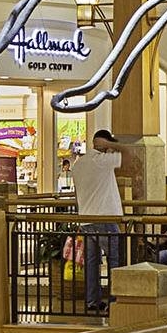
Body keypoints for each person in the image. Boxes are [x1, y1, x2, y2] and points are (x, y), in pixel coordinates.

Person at [70, 130, 126, 310]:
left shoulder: (78, 165)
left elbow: (77, 194)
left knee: (92, 263)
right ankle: (114, 302)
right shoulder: (102, 161)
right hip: (105, 217)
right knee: (115, 261)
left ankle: (92, 301)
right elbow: (128, 153)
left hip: (86, 219)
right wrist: (110, 145)